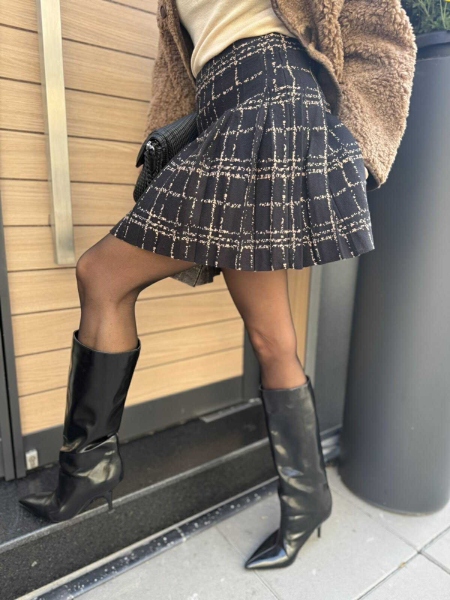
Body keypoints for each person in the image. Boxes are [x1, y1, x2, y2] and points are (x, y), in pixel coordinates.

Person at [19, 0, 417, 571]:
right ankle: (309, 501)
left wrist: (354, 140)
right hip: (220, 119)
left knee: (102, 274)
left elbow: (382, 30)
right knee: (270, 338)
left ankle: (87, 474)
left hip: (275, 104)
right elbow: (177, 77)